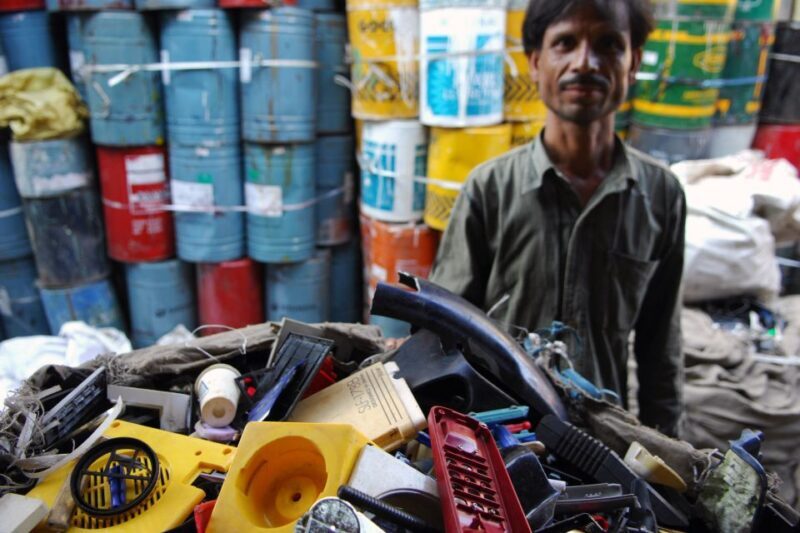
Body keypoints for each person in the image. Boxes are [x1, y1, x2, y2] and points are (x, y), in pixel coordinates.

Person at [429, 0, 686, 436]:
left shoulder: (661, 196)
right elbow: (441, 334)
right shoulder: (490, 189)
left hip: (605, 441)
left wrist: (670, 456)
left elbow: (660, 353)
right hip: (504, 436)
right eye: (565, 43)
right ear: (535, 62)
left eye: (608, 44)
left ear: (633, 63)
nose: (584, 62)